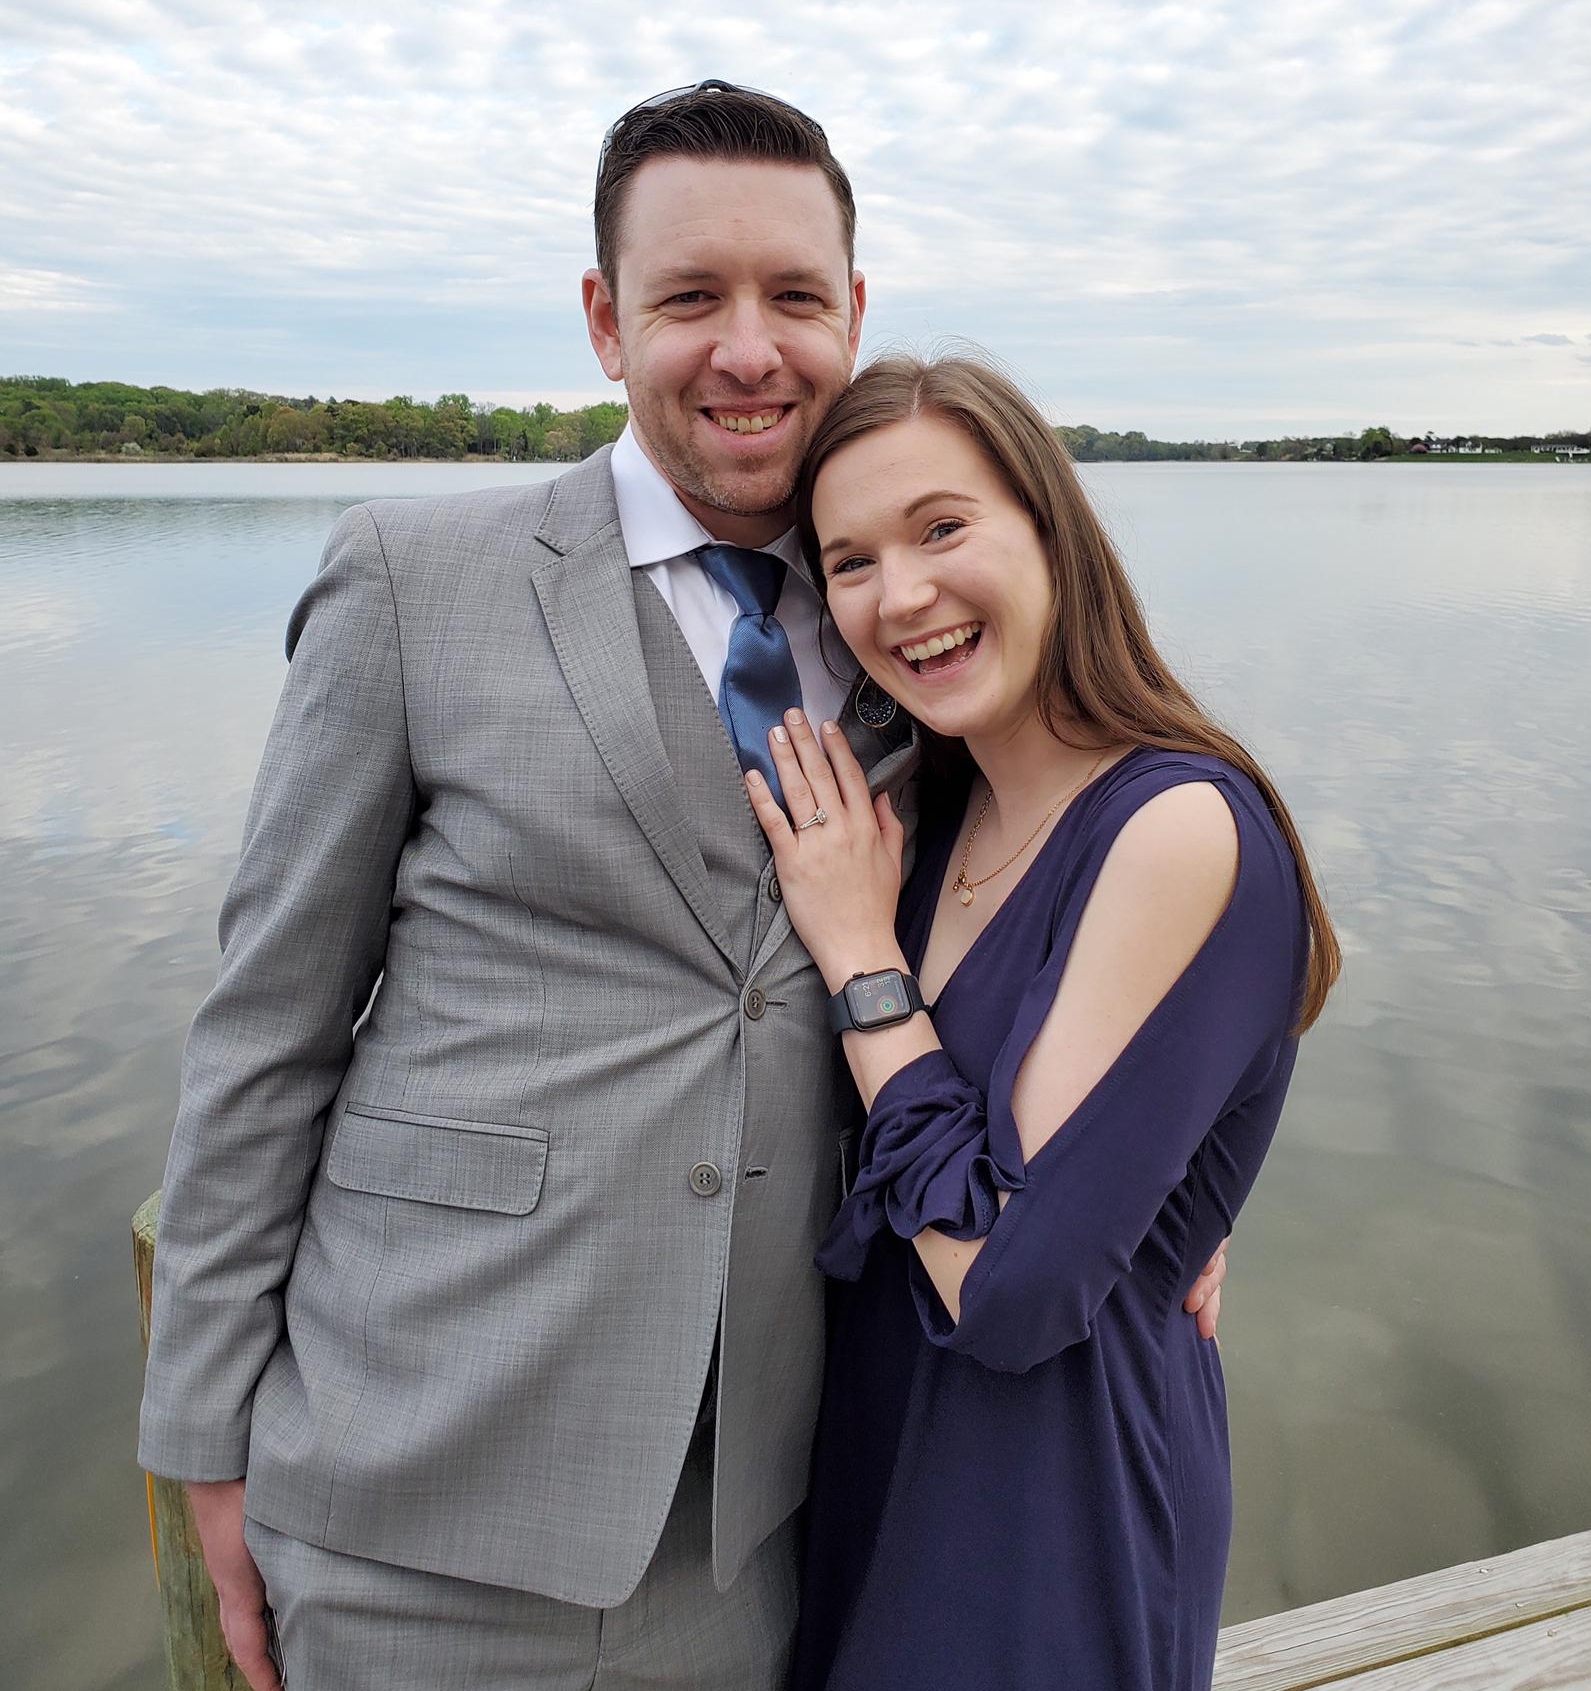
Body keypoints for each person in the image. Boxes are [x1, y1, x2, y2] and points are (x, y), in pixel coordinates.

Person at [137, 84, 1228, 1691]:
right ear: (604, 320)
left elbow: (1068, 922)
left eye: (794, 296)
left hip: (764, 1522)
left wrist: (1166, 1189)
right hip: (414, 1501)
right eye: (691, 298)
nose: (749, 351)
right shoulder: (408, 584)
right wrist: (202, 1436)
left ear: (853, 311)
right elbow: (267, 1035)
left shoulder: (908, 624)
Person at [742, 355, 1340, 1691]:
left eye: (943, 528)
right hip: (884, 1451)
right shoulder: (934, 820)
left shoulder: (1174, 825)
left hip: (1054, 1504)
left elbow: (1012, 1291)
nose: (901, 596)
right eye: (850, 562)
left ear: (1053, 532)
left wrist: (861, 963)